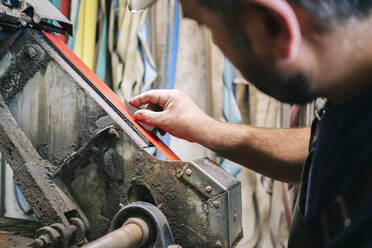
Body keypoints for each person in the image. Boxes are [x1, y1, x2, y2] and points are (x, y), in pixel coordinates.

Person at [130, 0, 372, 247]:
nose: (215, 41)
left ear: (274, 25)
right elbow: (323, 148)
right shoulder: (352, 93)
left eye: (207, 26)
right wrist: (207, 129)